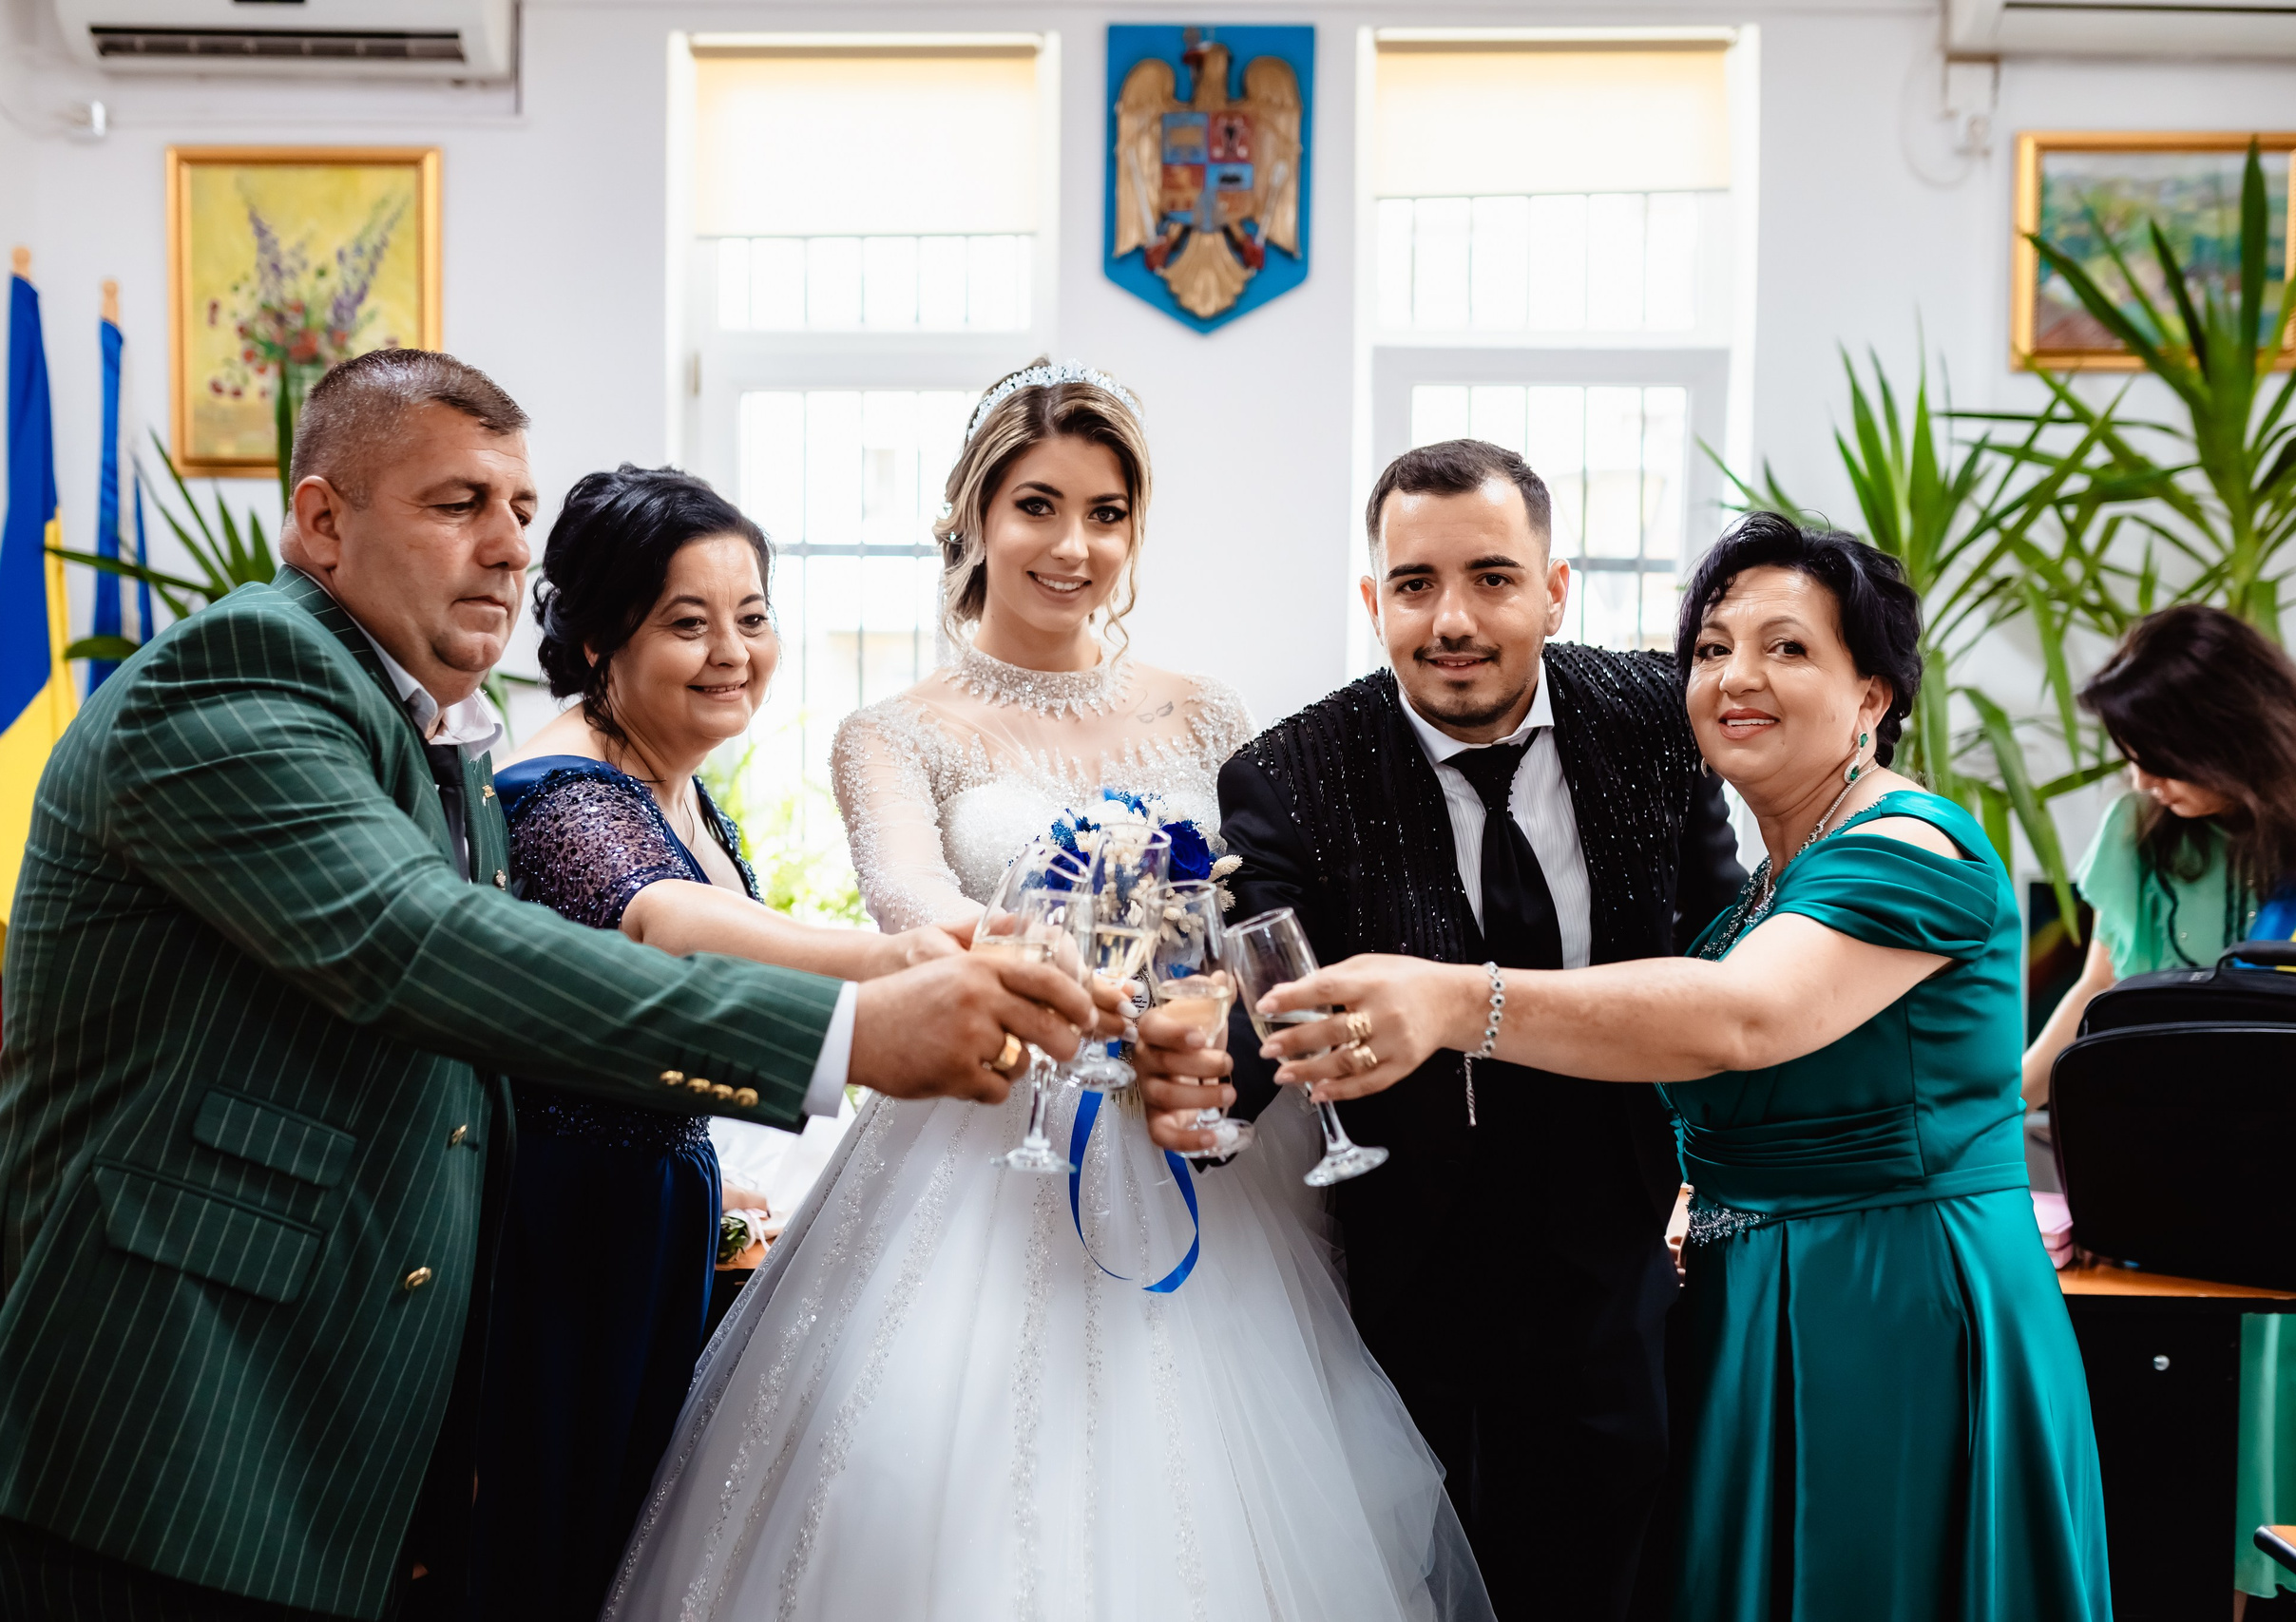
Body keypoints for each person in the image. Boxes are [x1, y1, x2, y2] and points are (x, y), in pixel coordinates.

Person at [0, 351, 1103, 1622]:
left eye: (521, 511)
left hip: (312, 1408)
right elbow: (422, 948)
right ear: (323, 520)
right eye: (455, 503)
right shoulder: (244, 675)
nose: (504, 545)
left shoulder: (435, 733)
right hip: (145, 1413)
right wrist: (846, 1027)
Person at [603, 362, 1492, 1621]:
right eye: (1038, 504)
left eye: (1108, 511)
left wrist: (1205, 1026)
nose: (1074, 544)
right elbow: (914, 903)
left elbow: (1246, 922)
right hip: (984, 1138)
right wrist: (1072, 966)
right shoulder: (895, 731)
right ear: (974, 515)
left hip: (1192, 1128)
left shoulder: (1204, 709)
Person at [1202, 511, 2111, 1620]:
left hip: (1894, 1305)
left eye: (1788, 648)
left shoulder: (1909, 846)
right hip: (1754, 1302)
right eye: (1715, 647)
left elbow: (1738, 1019)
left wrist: (1451, 998)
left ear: (1871, 694)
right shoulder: (1755, 892)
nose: (1739, 677)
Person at [1138, 437, 1744, 1621]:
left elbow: (1715, 946)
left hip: (1625, 1249)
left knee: (1608, 1567)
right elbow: (1273, 998)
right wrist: (1200, 1087)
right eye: (1414, 586)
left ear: (1552, 590)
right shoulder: (1289, 771)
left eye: (1492, 580)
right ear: (1374, 601)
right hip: (1407, 1266)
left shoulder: (1657, 723)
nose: (1451, 620)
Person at [467, 466, 966, 1620]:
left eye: (751, 617)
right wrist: (894, 958)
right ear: (597, 638)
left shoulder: (675, 781)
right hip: (569, 1235)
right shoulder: (561, 791)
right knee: (565, 1543)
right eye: (687, 624)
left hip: (651, 1207)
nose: (732, 650)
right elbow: (663, 919)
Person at [2023, 603, 2296, 1105]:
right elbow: (2098, 987)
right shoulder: (2133, 829)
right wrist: (2004, 1105)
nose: (2143, 782)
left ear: (2227, 740)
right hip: (2158, 1118)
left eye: (2161, 761)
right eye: (2132, 758)